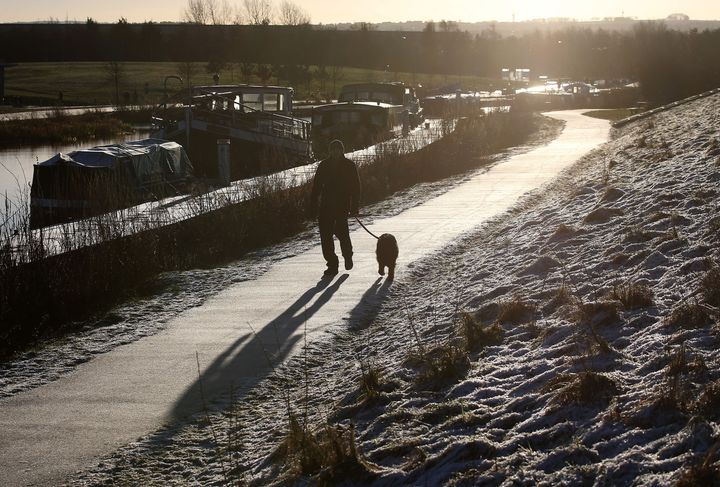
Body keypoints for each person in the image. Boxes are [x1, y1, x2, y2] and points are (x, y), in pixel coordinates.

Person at [310, 140, 361, 277]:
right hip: (325, 206)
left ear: (342, 150)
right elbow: (317, 187)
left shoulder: (349, 165)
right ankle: (332, 264)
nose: (335, 152)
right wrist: (313, 204)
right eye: (333, 150)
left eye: (338, 149)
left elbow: (356, 187)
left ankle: (347, 255)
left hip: (342, 205)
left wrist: (354, 206)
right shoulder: (324, 165)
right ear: (329, 151)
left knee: (342, 232)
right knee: (325, 236)